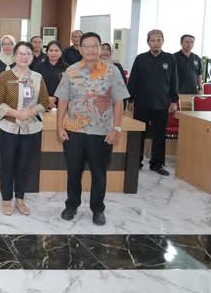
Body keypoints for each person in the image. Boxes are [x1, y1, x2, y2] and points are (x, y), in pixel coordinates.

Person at [56, 32, 129, 225]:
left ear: (100, 48)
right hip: (74, 131)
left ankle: (97, 209)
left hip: (101, 132)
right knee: (73, 172)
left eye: (94, 45)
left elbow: (119, 101)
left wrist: (117, 128)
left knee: (99, 173)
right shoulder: (71, 70)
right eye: (86, 46)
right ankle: (71, 205)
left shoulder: (112, 71)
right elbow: (62, 100)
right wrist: (59, 126)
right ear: (80, 49)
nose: (90, 49)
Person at [0, 41, 50, 216]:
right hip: (8, 127)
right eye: (21, 53)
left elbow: (44, 102)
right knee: (7, 164)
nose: (24, 57)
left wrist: (30, 112)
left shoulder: (38, 77)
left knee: (24, 165)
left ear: (32, 57)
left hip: (31, 128)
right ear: (14, 56)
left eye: (28, 54)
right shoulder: (5, 76)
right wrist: (16, 113)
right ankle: (6, 199)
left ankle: (20, 199)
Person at [127, 29, 178, 176]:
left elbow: (174, 81)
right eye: (152, 40)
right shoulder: (140, 58)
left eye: (158, 40)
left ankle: (157, 164)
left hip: (162, 103)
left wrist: (174, 100)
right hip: (142, 103)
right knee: (139, 134)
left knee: (159, 135)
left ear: (163, 41)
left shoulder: (170, 59)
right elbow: (133, 80)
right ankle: (136, 162)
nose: (156, 43)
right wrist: (130, 99)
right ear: (148, 42)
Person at [34, 40, 68, 106]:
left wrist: (56, 98)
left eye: (56, 50)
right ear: (47, 52)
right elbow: (34, 85)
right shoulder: (38, 67)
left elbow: (68, 88)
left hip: (62, 103)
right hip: (41, 102)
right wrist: (46, 98)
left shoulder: (67, 68)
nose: (53, 53)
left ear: (61, 52)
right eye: (51, 50)